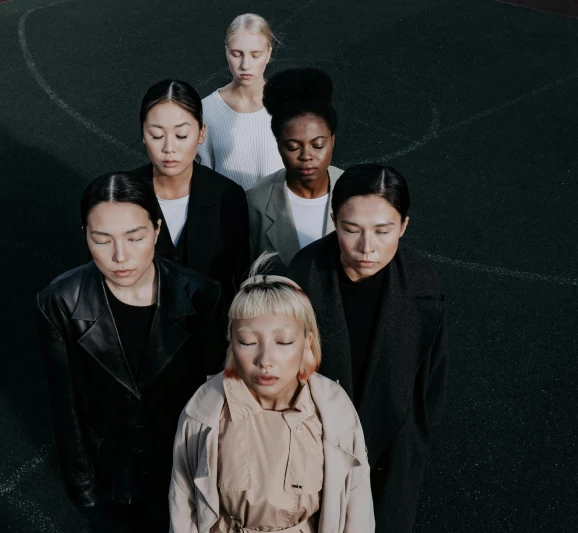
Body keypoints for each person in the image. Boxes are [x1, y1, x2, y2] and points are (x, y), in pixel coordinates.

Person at [36, 172, 227, 532]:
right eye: (101, 240)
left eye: (135, 237)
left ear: (157, 230)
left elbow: (217, 396)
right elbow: (65, 403)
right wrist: (84, 489)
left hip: (186, 469)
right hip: (114, 477)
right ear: (85, 236)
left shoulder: (202, 294)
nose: (119, 256)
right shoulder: (59, 301)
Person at [288, 164, 449, 533]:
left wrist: (415, 442)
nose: (367, 248)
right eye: (350, 229)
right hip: (313, 446)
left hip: (393, 452)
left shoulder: (423, 283)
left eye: (383, 230)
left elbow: (432, 380)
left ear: (404, 226)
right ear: (334, 220)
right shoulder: (303, 274)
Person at [169, 254, 374, 533]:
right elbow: (182, 508)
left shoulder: (335, 411)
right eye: (248, 341)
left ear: (307, 342)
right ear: (232, 342)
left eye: (284, 341)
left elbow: (358, 509)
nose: (266, 359)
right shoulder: (203, 412)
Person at [132, 79, 250, 306]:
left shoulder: (228, 196)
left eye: (182, 135)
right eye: (157, 135)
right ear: (143, 135)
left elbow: (240, 282)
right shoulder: (122, 196)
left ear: (202, 132)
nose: (169, 148)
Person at [247, 67, 343, 272]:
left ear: (332, 141)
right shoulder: (255, 202)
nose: (306, 156)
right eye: (293, 147)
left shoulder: (358, 193)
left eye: (318, 145)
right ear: (279, 146)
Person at [196, 13, 284, 190]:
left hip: (281, 215)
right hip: (226, 214)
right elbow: (203, 178)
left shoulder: (289, 105)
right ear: (226, 51)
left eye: (255, 55)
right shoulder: (207, 110)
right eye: (237, 54)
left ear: (268, 53)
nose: (245, 65)